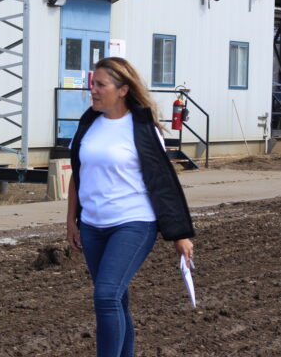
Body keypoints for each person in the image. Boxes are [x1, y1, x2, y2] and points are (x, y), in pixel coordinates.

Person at [66, 57, 195, 357]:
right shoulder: (88, 124)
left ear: (123, 89)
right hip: (93, 227)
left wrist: (180, 235)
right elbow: (78, 172)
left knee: (106, 295)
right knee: (117, 300)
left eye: (100, 84)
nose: (93, 90)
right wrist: (71, 221)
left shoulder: (144, 129)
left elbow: (163, 183)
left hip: (134, 224)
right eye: (92, 83)